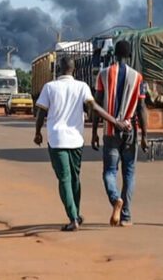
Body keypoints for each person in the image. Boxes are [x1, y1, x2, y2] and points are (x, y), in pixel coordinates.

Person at [34, 56, 128, 232]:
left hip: (57, 141)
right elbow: (95, 108)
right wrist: (114, 121)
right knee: (75, 178)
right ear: (74, 70)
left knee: (64, 179)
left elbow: (41, 113)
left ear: (59, 69)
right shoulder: (82, 86)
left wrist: (37, 132)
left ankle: (73, 218)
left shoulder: (50, 87)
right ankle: (76, 214)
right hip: (76, 140)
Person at [92, 40, 149, 227]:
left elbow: (97, 106)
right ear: (130, 55)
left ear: (114, 54)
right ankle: (126, 216)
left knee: (109, 171)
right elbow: (141, 108)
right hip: (130, 130)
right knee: (129, 173)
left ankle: (116, 198)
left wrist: (94, 132)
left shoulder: (103, 74)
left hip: (110, 130)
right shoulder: (138, 77)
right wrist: (145, 136)